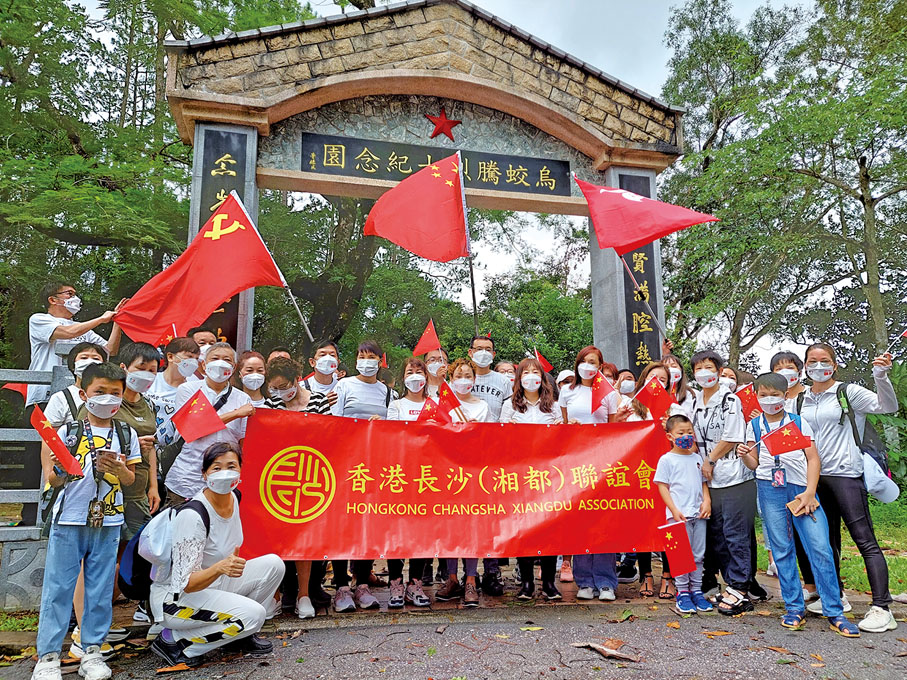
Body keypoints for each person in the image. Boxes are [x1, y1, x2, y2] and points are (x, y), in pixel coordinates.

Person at [32, 362, 140, 680]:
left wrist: (118, 470)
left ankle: (92, 650)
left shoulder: (126, 433)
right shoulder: (67, 431)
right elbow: (53, 479)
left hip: (108, 521)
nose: (107, 399)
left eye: (115, 393)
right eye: (100, 392)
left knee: (100, 586)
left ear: (123, 396)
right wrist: (61, 469)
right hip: (69, 519)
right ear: (84, 394)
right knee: (58, 587)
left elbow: (132, 479)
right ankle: (48, 656)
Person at [736, 372, 861, 637]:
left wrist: (810, 491)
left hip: (801, 491)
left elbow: (813, 459)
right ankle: (794, 607)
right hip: (769, 490)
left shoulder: (797, 422)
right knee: (781, 550)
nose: (770, 400)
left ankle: (835, 611)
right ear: (757, 397)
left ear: (785, 396)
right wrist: (744, 455)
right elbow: (755, 464)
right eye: (764, 395)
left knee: (820, 547)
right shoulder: (754, 426)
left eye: (775, 394)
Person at [792, 343, 898, 633]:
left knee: (864, 539)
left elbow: (887, 406)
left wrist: (880, 377)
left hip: (846, 475)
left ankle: (882, 607)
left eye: (824, 360)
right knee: (826, 541)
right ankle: (836, 596)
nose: (818, 366)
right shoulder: (801, 401)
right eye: (812, 361)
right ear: (805, 367)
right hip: (814, 480)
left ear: (834, 365)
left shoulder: (847, 392)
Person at [149, 443, 284, 667]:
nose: (224, 474)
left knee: (274, 565)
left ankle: (237, 635)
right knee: (254, 615)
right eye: (216, 468)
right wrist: (220, 567)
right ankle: (177, 642)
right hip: (176, 602)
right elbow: (187, 584)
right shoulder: (193, 515)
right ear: (204, 474)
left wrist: (221, 569)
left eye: (231, 466)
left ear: (241, 470)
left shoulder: (234, 497)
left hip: (214, 585)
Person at [329, 341, 391, 613]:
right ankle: (342, 586)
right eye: (361, 356)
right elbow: (334, 421)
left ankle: (362, 583)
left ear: (380, 361)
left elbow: (395, 430)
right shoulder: (344, 386)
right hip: (346, 463)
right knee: (343, 524)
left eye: (372, 357)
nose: (366, 361)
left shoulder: (388, 391)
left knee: (369, 522)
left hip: (375, 465)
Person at [689, 350, 752, 615]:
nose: (704, 372)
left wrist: (710, 460)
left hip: (733, 477)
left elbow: (733, 435)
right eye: (699, 368)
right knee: (717, 536)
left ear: (718, 370)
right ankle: (729, 584)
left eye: (709, 367)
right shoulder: (695, 402)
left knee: (735, 534)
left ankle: (740, 587)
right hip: (709, 481)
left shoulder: (729, 399)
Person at [501, 357, 562, 602]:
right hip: (520, 475)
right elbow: (500, 439)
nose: (530, 376)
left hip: (549, 475)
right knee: (523, 528)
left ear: (542, 377)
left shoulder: (554, 407)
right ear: (519, 378)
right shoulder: (509, 406)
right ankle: (526, 583)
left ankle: (548, 581)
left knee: (550, 527)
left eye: (535, 372)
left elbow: (564, 440)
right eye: (525, 372)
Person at [165, 343, 254, 506]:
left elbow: (243, 442)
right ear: (204, 365)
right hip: (187, 478)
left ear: (233, 368)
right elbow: (192, 428)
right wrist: (235, 413)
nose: (220, 363)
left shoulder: (242, 399)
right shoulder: (187, 390)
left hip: (224, 480)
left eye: (226, 360)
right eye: (215, 358)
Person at [625, 362, 683, 599]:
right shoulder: (631, 407)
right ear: (643, 380)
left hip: (670, 476)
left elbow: (685, 440)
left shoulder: (675, 409)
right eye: (652, 377)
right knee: (642, 524)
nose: (657, 382)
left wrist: (668, 430)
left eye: (663, 379)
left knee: (670, 521)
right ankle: (646, 574)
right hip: (639, 474)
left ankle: (670, 575)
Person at [26, 281, 124, 410]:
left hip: (79, 395)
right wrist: (101, 319)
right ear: (52, 299)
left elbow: (110, 350)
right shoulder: (39, 319)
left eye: (75, 295)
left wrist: (117, 321)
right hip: (44, 394)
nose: (75, 299)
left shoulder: (85, 330)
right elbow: (69, 332)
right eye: (69, 294)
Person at [384, 358, 432, 607]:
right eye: (410, 372)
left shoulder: (434, 406)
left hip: (428, 478)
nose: (415, 376)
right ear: (403, 378)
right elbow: (390, 437)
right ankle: (395, 582)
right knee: (398, 531)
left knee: (421, 533)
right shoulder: (396, 405)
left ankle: (416, 583)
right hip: (400, 476)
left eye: (419, 371)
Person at [654, 414, 713, 615]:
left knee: (698, 554)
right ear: (670, 436)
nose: (686, 436)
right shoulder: (666, 459)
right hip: (678, 516)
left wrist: (707, 500)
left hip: (699, 515)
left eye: (689, 432)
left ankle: (696, 590)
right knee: (680, 556)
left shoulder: (697, 459)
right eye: (681, 433)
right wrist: (673, 509)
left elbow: (703, 484)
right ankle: (683, 592)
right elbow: (662, 486)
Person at [147, 337, 201, 455]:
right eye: (189, 357)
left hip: (175, 454)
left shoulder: (195, 389)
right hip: (145, 447)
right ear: (170, 357)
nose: (193, 362)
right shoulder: (151, 381)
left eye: (196, 358)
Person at [44, 343, 106, 427]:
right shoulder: (61, 397)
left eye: (95, 358)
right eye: (84, 358)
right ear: (73, 365)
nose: (90, 362)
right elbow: (50, 436)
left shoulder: (112, 396)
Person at [467, 336, 512, 420]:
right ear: (470, 352)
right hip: (466, 430)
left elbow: (509, 411)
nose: (484, 353)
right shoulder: (459, 379)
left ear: (493, 354)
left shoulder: (503, 381)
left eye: (488, 350)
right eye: (479, 349)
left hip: (494, 431)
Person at [303, 340, 340, 405]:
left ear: (338, 362)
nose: (328, 358)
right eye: (323, 355)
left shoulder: (342, 388)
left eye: (332, 355)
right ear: (312, 362)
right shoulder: (301, 388)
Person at [663, 354, 697, 418]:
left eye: (674, 366)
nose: (670, 370)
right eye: (666, 367)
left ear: (681, 369)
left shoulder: (693, 394)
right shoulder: (656, 395)